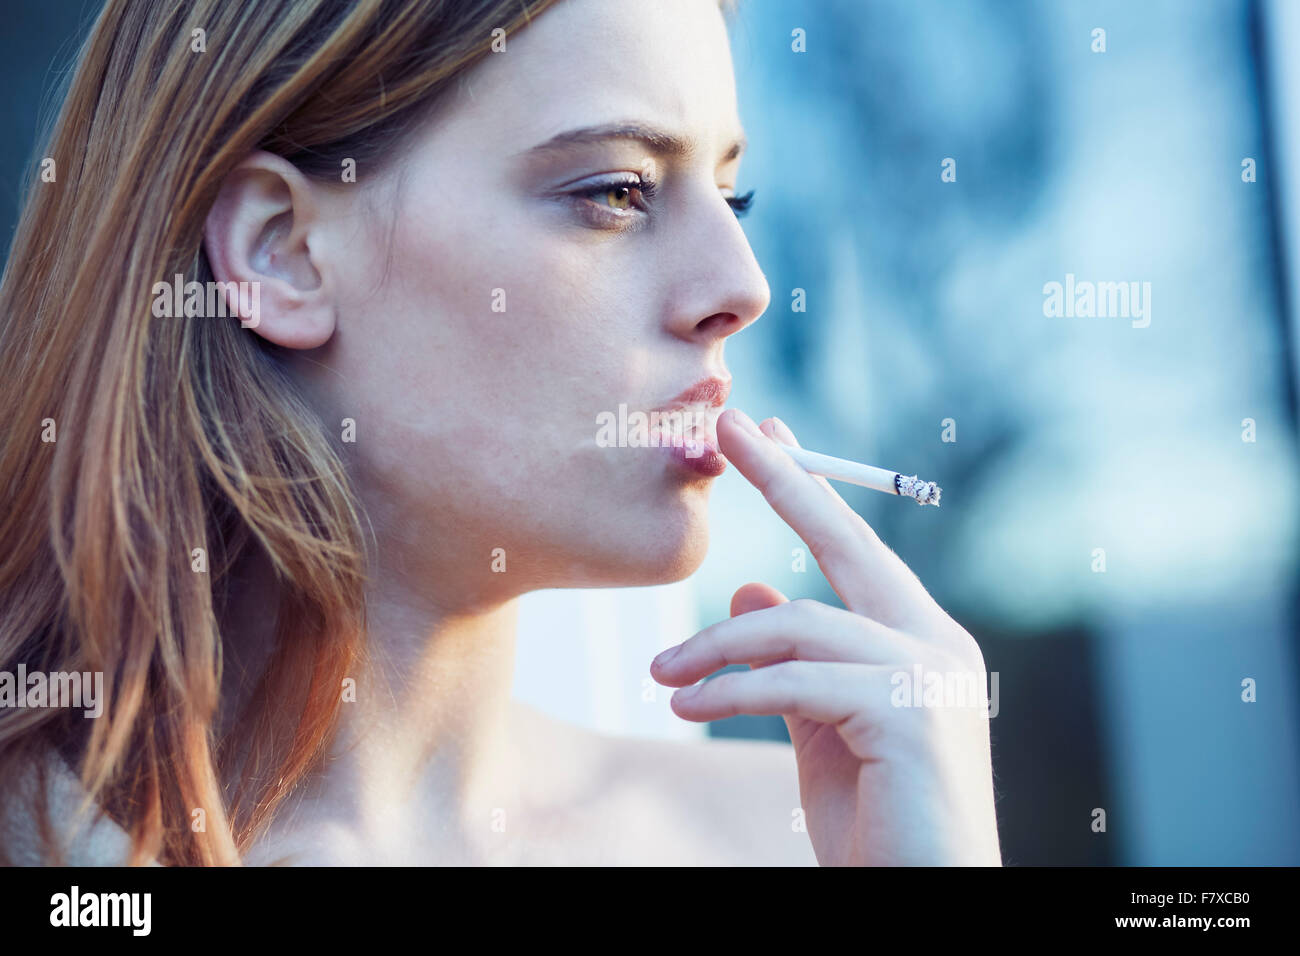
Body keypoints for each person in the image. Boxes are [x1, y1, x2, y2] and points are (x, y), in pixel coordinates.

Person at [0, 0, 1001, 866]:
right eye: (615, 192)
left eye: (731, 195)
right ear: (283, 251)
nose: (740, 286)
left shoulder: (803, 837)